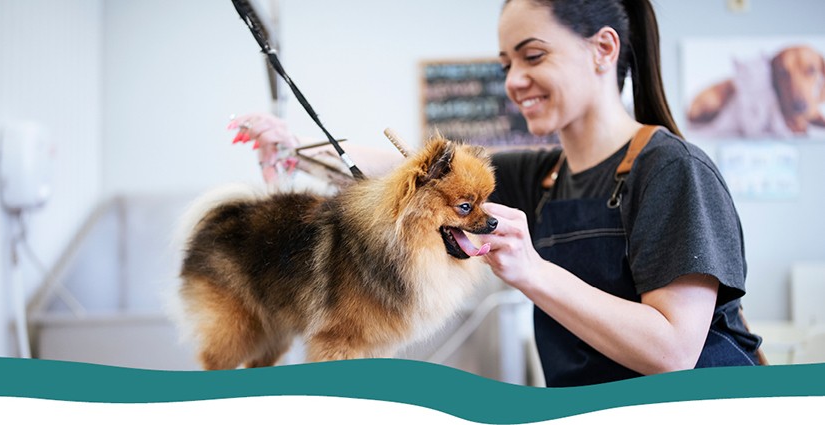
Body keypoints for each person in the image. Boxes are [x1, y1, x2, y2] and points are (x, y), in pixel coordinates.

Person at [229, 0, 763, 387]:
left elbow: (673, 351)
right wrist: (297, 144)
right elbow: (405, 175)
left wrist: (531, 270)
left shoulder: (672, 170)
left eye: (532, 56)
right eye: (507, 64)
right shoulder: (544, 174)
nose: (513, 81)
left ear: (603, 49)